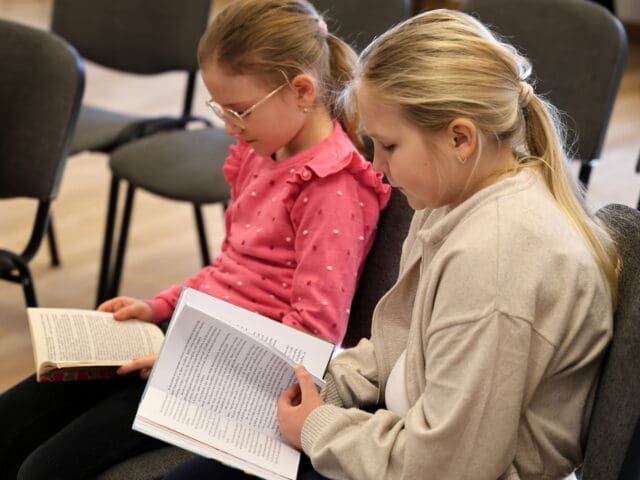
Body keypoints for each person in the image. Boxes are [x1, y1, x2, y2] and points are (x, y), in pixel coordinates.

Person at [165, 9, 621, 480]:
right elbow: (397, 344)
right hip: (404, 434)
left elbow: (448, 465)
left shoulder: (497, 261)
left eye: (389, 146)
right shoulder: (453, 193)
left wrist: (318, 425)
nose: (377, 167)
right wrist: (323, 386)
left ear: (460, 139)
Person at [0, 0, 390, 478]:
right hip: (194, 337)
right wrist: (158, 307)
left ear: (302, 91)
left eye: (239, 110)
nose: (228, 126)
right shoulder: (263, 146)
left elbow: (312, 336)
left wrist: (186, 361)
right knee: (11, 420)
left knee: (45, 468)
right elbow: (232, 269)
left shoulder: (332, 187)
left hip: (236, 374)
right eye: (220, 109)